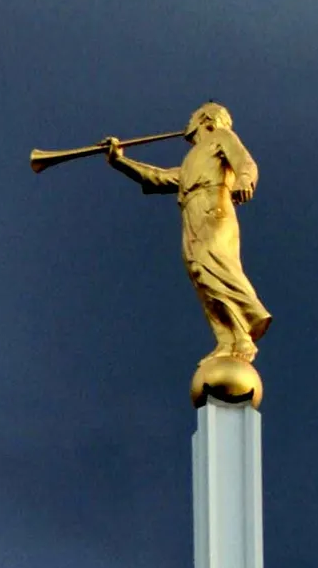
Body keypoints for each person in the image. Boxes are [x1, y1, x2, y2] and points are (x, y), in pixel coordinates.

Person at [106, 102, 269, 395]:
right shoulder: (194, 157)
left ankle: (248, 321)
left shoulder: (221, 137)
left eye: (191, 118)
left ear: (205, 119)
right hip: (192, 211)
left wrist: (245, 181)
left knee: (214, 264)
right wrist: (120, 161)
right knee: (199, 271)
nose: (187, 124)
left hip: (214, 206)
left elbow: (246, 163)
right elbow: (157, 178)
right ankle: (227, 338)